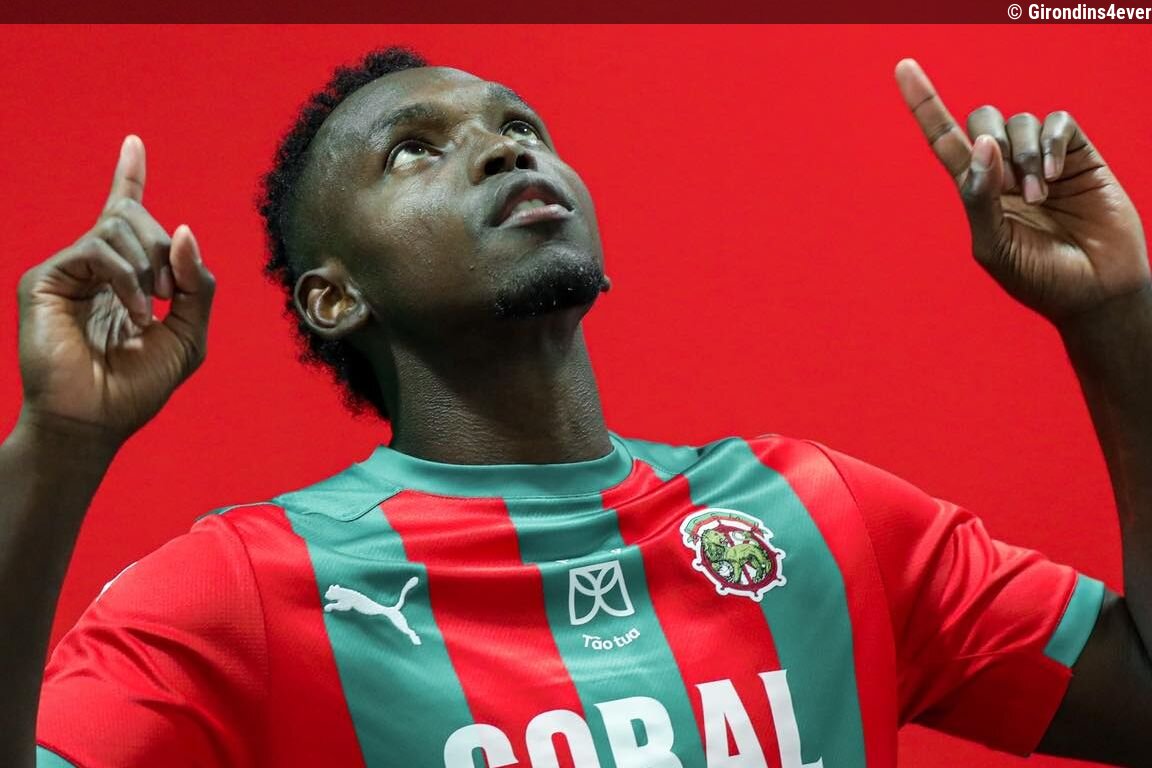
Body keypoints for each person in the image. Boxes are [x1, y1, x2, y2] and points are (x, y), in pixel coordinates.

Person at [1, 46, 1149, 767]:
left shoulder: (815, 516)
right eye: (413, 152)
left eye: (520, 127)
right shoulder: (248, 593)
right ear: (334, 296)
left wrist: (1115, 316)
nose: (505, 152)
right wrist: (56, 446)